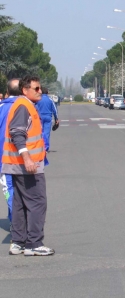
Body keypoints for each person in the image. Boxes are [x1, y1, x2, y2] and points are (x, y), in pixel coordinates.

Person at [3, 75, 54, 256]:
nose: (40, 91)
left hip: (16, 164)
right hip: (26, 165)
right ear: (25, 90)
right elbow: (17, 133)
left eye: (40, 88)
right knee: (37, 202)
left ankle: (18, 242)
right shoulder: (24, 106)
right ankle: (34, 243)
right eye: (36, 88)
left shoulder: (23, 105)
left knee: (19, 202)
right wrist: (27, 159)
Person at [0, 79, 21, 230]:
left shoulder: (1, 108)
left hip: (5, 158)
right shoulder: (27, 107)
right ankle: (15, 220)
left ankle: (18, 224)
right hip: (23, 158)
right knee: (19, 190)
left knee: (10, 189)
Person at [35, 87, 59, 152]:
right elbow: (55, 110)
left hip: (39, 117)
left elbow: (34, 107)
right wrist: (56, 118)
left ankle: (39, 146)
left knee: (39, 132)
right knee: (47, 133)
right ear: (47, 92)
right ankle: (45, 147)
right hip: (48, 117)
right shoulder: (50, 100)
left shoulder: (38, 99)